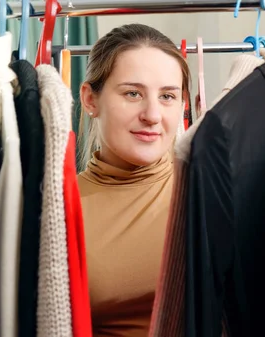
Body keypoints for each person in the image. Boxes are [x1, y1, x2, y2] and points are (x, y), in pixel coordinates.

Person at [77, 23, 190, 336]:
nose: (152, 114)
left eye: (167, 96)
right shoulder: (57, 206)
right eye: (133, 93)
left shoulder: (207, 190)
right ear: (90, 99)